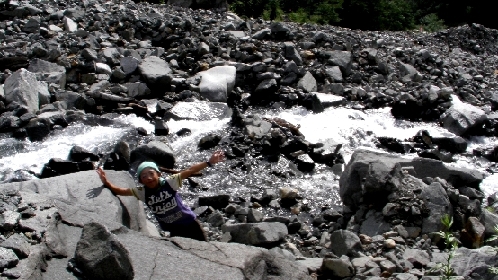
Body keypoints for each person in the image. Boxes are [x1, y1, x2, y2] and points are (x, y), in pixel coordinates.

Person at [96, 150, 225, 241]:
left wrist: (209, 162)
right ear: (140, 181)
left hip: (190, 223)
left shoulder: (171, 182)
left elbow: (190, 171)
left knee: (205, 248)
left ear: (158, 174)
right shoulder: (141, 192)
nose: (148, 178)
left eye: (151, 173)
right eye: (144, 176)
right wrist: (106, 182)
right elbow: (120, 191)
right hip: (173, 230)